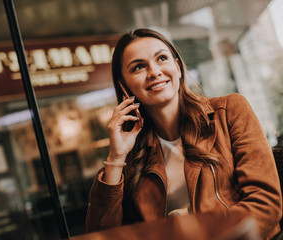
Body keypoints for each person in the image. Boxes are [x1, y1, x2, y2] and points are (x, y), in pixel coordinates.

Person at [85, 28, 282, 239]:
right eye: (139, 67)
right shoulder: (131, 153)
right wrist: (116, 157)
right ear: (125, 87)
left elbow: (265, 201)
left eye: (161, 58)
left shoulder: (229, 110)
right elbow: (102, 234)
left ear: (178, 67)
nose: (154, 72)